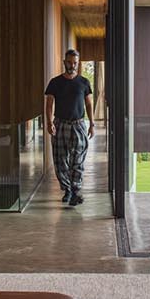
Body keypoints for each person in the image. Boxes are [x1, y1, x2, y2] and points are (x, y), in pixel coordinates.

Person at [44, 48, 94, 206]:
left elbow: (89, 104)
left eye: (75, 63)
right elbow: (49, 103)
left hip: (79, 125)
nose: (72, 65)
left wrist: (92, 124)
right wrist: (49, 122)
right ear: (64, 62)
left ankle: (75, 189)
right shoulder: (55, 82)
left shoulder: (84, 82)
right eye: (70, 62)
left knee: (77, 160)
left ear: (78, 64)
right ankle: (67, 190)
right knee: (60, 160)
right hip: (60, 124)